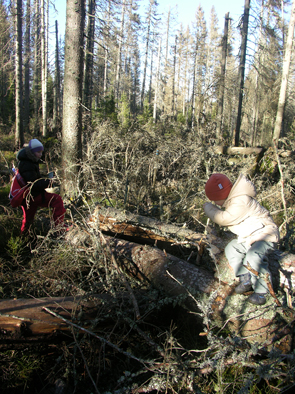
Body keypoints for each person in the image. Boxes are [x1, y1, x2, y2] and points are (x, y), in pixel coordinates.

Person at [203, 173, 279, 306]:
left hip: (265, 235)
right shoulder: (234, 200)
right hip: (251, 236)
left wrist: (208, 207)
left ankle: (262, 291)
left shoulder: (240, 201)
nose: (215, 203)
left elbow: (223, 218)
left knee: (253, 255)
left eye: (215, 200)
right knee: (232, 248)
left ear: (221, 195)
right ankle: (245, 278)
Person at [16, 138, 66, 235]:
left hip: (28, 197)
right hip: (32, 196)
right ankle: (59, 228)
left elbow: (34, 180)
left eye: (41, 152)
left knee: (28, 220)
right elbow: (33, 184)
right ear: (32, 152)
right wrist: (49, 182)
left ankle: (24, 238)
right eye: (38, 152)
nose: (40, 154)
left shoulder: (29, 161)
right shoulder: (26, 164)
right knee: (57, 200)